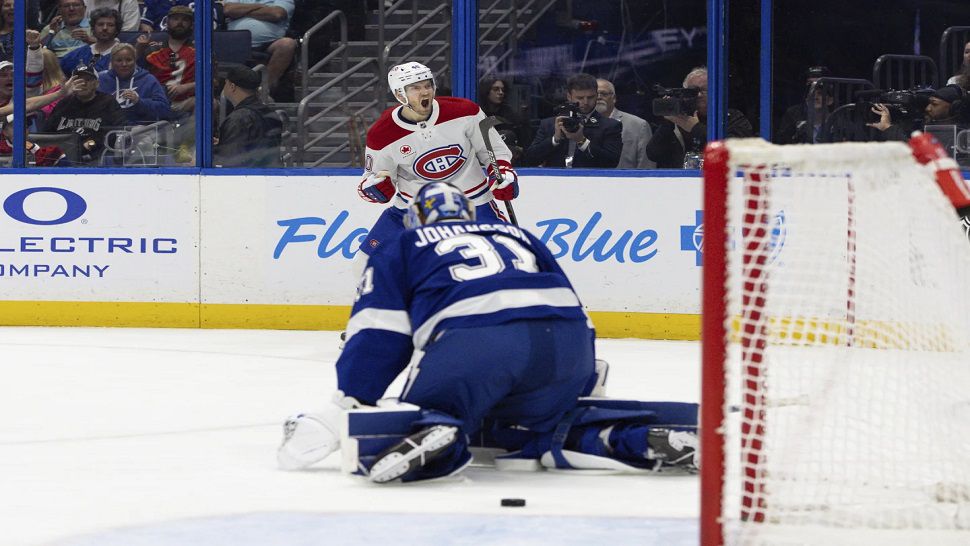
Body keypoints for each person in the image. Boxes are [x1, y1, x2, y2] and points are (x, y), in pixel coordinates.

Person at [276, 181, 700, 483]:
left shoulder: (403, 245)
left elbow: (380, 328)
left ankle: (436, 430)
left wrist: (353, 396)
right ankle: (637, 438)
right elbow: (576, 311)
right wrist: (581, 380)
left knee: (440, 413)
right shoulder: (518, 233)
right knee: (534, 428)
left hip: (476, 347)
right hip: (565, 349)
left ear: (414, 219)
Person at [355, 61, 519, 261]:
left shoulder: (465, 111)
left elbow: (494, 152)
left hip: (473, 202)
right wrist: (376, 189)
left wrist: (503, 174)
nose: (425, 92)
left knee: (506, 259)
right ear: (399, 94)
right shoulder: (382, 133)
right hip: (413, 209)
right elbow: (370, 180)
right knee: (364, 263)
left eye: (427, 85)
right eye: (415, 88)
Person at [645, 67, 753, 168]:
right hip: (680, 182)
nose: (699, 95)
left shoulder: (731, 118)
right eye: (693, 91)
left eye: (704, 90)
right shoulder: (678, 119)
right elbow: (653, 154)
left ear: (716, 92)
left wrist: (695, 128)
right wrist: (668, 121)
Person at [522, 72, 622, 168]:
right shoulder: (549, 124)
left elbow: (611, 162)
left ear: (596, 95)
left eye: (590, 97)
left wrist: (582, 141)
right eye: (580, 98)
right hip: (555, 182)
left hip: (591, 182)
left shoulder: (611, 126)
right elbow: (530, 159)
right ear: (569, 96)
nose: (585, 102)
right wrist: (555, 139)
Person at [43, 63, 124, 165]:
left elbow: (117, 131)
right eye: (78, 80)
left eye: (88, 80)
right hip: (63, 157)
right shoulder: (64, 103)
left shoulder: (108, 102)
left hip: (95, 157)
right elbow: (47, 133)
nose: (83, 83)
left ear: (97, 83)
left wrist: (90, 145)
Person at [213, 65, 282, 167]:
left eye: (225, 83)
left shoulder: (238, 119)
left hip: (248, 178)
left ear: (232, 87)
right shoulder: (270, 113)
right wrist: (224, 142)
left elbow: (230, 161)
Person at [223, 0, 296, 95]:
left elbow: (276, 14)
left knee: (287, 44)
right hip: (235, 41)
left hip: (269, 44)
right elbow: (228, 9)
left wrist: (243, 11)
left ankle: (263, 91)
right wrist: (261, 7)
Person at [142, 5, 195, 117]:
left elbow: (213, 81)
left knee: (210, 104)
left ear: (192, 24)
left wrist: (186, 87)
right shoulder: (152, 49)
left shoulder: (201, 50)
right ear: (167, 23)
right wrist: (138, 48)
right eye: (175, 19)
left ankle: (196, 134)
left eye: (185, 19)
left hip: (187, 101)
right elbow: (136, 77)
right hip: (156, 102)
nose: (180, 23)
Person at [97, 43, 170, 124]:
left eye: (128, 60)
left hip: (142, 131)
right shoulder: (102, 79)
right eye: (119, 60)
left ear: (135, 60)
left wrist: (139, 102)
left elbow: (164, 110)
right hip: (108, 130)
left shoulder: (148, 80)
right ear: (111, 62)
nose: (124, 64)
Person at [868, 84, 966, 141]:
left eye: (934, 104)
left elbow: (913, 153)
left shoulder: (959, 134)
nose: (928, 108)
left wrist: (888, 128)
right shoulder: (926, 126)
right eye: (928, 103)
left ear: (954, 107)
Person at [595, 77, 655, 169]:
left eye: (604, 94)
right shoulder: (581, 124)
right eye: (595, 94)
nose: (599, 97)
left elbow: (646, 166)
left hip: (626, 182)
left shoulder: (638, 125)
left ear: (614, 98)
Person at [478, 76, 531, 165]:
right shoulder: (478, 114)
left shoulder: (511, 115)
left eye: (502, 90)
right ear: (486, 91)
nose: (500, 92)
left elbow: (523, 144)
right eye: (496, 89)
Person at [775, 66, 835, 144]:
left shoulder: (839, 116)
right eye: (810, 86)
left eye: (820, 91)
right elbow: (782, 143)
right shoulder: (793, 114)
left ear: (830, 99)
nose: (815, 96)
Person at [58, 7, 120, 75]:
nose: (105, 28)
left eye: (110, 25)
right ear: (93, 28)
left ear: (117, 29)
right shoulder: (77, 55)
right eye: (100, 24)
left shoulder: (125, 53)